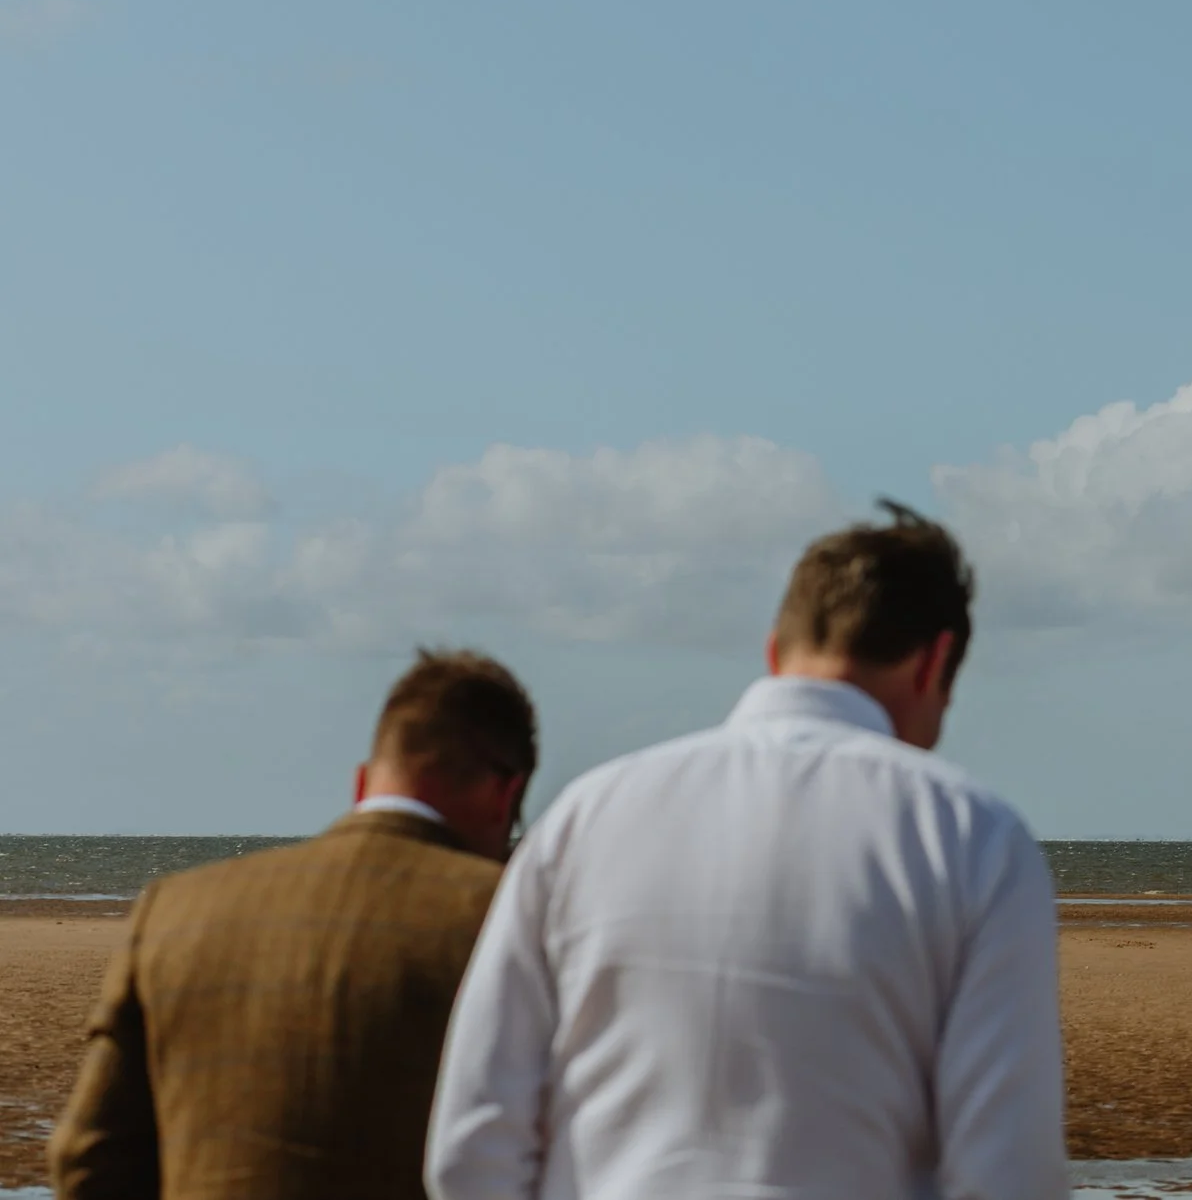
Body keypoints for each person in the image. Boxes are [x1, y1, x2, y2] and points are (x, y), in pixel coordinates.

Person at [427, 502, 1064, 1200]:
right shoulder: (975, 837)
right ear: (935, 661)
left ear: (775, 650)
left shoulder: (584, 814)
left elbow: (473, 1143)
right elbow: (1006, 1172)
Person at [50, 649, 538, 1200]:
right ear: (505, 796)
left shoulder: (174, 909)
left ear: (362, 783)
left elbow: (87, 1159)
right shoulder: (511, 915)